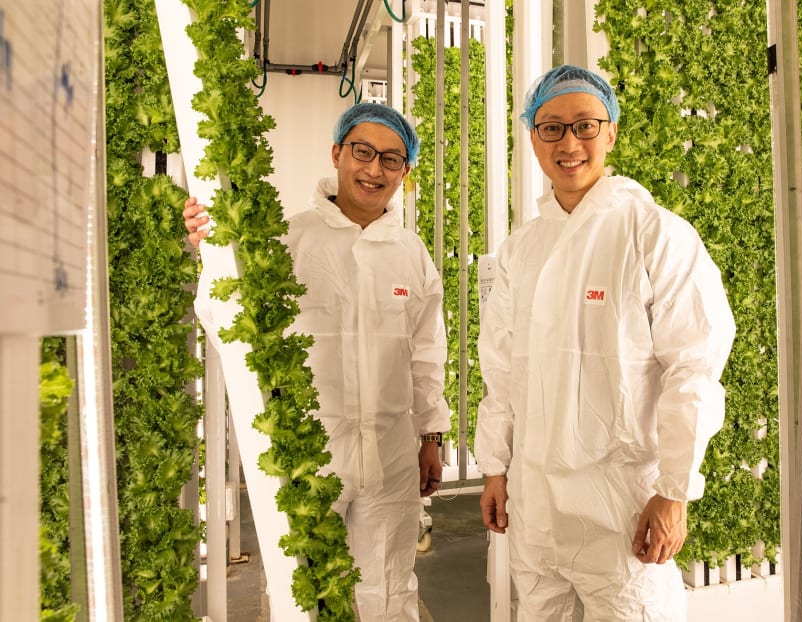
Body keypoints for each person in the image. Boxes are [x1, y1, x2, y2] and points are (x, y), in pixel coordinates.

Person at [474, 65, 736, 620]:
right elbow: (501, 370)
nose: (569, 143)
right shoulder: (522, 249)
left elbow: (694, 365)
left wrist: (674, 492)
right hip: (536, 506)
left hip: (621, 509)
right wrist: (496, 466)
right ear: (532, 139)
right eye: (551, 128)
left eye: (585, 125)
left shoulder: (654, 234)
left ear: (611, 132)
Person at [183, 103, 450, 621]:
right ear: (337, 153)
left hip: (392, 454)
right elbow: (229, 321)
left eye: (391, 160)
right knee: (301, 592)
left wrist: (431, 437)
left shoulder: (411, 254)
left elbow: (426, 354)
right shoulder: (288, 237)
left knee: (389, 590)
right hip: (309, 452)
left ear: (405, 173)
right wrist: (210, 250)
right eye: (363, 152)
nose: (374, 170)